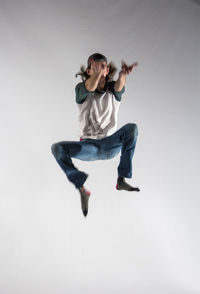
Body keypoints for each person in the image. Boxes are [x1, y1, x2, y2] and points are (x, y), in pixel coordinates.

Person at [51, 53, 140, 217]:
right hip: (89, 147)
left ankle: (121, 179)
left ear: (107, 71)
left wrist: (122, 75)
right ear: (89, 71)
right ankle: (81, 188)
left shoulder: (113, 89)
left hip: (110, 144)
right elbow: (90, 87)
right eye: (96, 67)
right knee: (57, 148)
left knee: (131, 129)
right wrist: (98, 73)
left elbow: (120, 86)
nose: (100, 70)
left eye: (103, 67)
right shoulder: (81, 89)